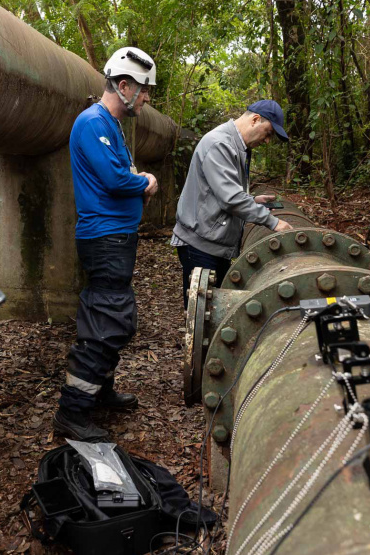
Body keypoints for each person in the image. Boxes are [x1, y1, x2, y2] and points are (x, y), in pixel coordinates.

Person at [53, 47, 160, 441]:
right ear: (124, 86)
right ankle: (72, 411)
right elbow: (116, 180)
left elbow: (118, 173)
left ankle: (99, 391)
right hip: (105, 239)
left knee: (113, 318)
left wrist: (137, 180)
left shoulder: (112, 124)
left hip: (116, 238)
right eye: (144, 90)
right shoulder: (91, 122)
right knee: (107, 322)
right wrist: (145, 182)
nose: (146, 98)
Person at [171, 100, 294, 308]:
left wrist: (253, 200)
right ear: (255, 120)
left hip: (215, 244)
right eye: (268, 133)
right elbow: (230, 199)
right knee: (202, 315)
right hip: (201, 245)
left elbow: (221, 192)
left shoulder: (237, 146)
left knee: (215, 310)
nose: (267, 141)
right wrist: (273, 223)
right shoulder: (220, 144)